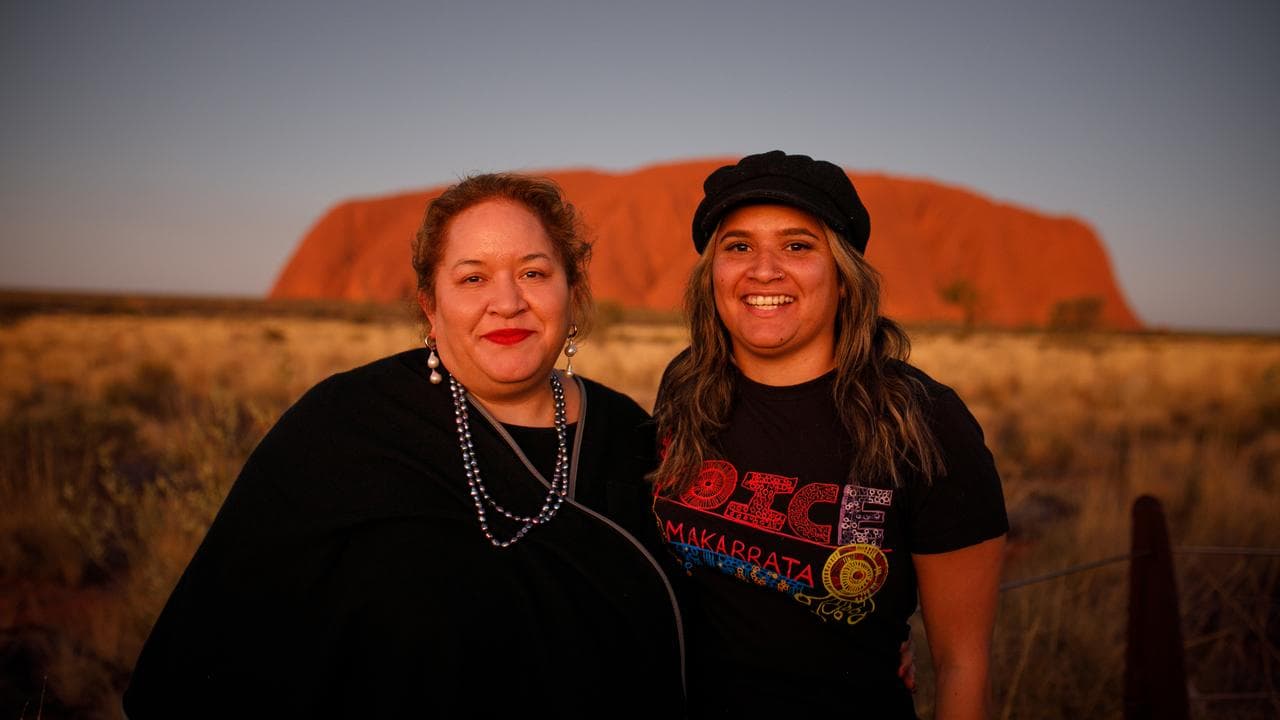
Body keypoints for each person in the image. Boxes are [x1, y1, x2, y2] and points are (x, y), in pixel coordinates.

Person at [123, 174, 686, 717]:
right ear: (429, 305)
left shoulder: (627, 434)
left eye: (534, 273)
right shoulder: (347, 427)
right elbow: (211, 645)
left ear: (573, 290)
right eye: (472, 279)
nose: (507, 302)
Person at [651, 151, 1008, 718]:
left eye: (798, 245)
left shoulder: (923, 421)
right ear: (711, 274)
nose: (763, 270)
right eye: (738, 245)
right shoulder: (687, 389)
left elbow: (964, 663)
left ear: (844, 277)